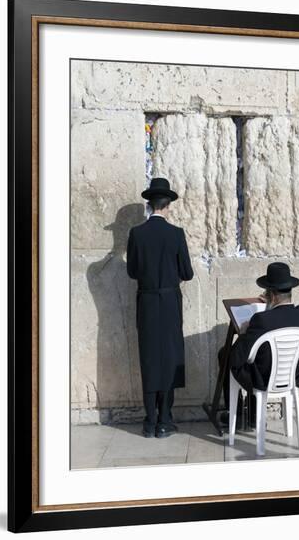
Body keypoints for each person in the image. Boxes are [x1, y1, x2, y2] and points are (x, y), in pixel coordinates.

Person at [126, 177, 194, 438]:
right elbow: (186, 273)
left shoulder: (136, 233)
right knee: (170, 357)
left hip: (146, 301)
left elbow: (132, 271)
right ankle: (165, 419)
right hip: (169, 302)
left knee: (149, 357)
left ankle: (150, 420)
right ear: (168, 205)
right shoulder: (176, 234)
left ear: (149, 204)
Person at [219, 262, 299, 427]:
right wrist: (271, 307)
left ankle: (238, 413)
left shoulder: (261, 320)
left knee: (225, 354)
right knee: (260, 357)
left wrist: (244, 331)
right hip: (290, 376)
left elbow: (236, 358)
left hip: (263, 380)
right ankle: (255, 416)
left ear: (273, 296)